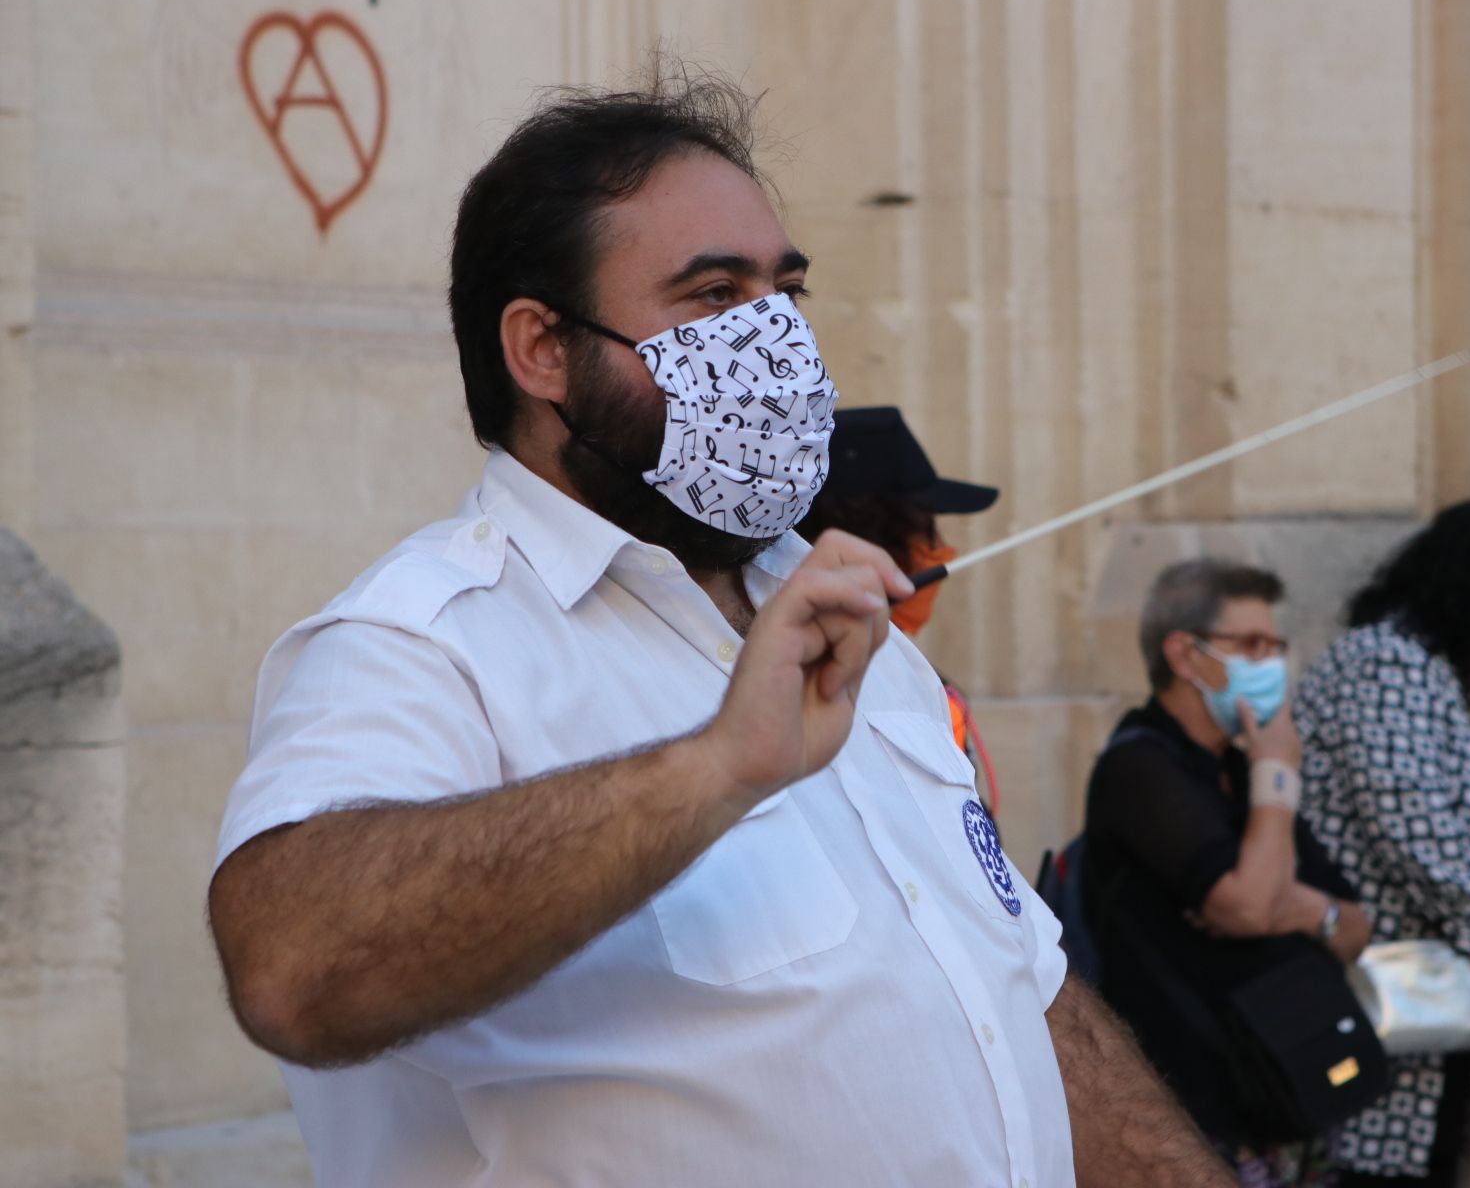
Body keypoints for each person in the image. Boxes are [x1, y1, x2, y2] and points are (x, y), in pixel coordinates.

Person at [205, 73, 1236, 1186]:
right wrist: (711, 769)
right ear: (543, 349)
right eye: (713, 295)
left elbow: (1016, 993)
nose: (776, 341)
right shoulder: (425, 639)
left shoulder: (850, 620)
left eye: (784, 291)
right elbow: (292, 967)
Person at [1291, 499, 1470, 1186]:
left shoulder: (1444, 682)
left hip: (1440, 1004)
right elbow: (1417, 833)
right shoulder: (1384, 666)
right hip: (1379, 998)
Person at [1081, 559, 1373, 1186]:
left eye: (1276, 647)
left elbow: (1355, 928)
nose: (1272, 664)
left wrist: (1300, 908)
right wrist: (1277, 778)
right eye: (1251, 645)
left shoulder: (1239, 769)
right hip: (1188, 1114)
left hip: (1282, 1094)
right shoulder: (1140, 769)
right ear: (1186, 655)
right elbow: (1244, 907)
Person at [795, 404, 1002, 806]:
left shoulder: (900, 665)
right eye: (924, 529)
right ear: (872, 536)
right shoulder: (822, 681)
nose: (941, 552)